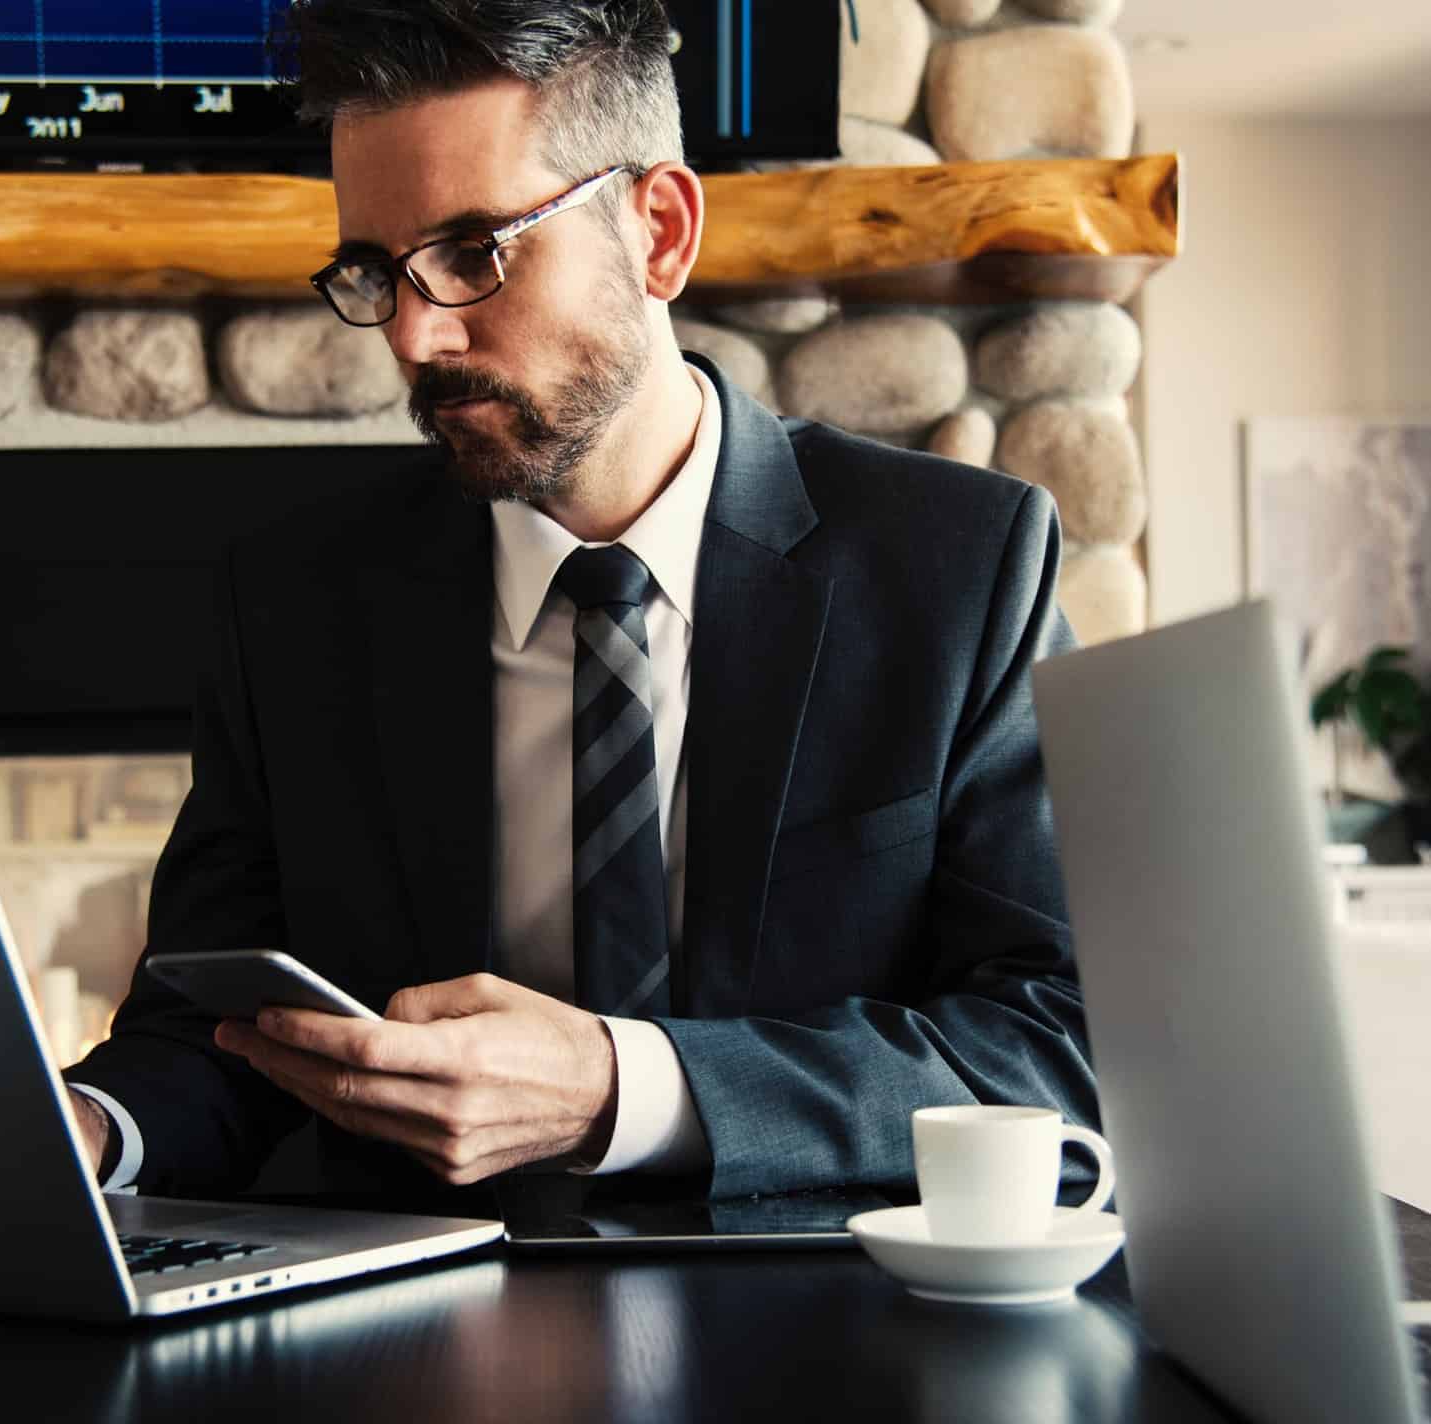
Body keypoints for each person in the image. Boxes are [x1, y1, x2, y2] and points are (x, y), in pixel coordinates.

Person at [62, 0, 1095, 1209]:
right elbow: (212, 1033)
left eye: (473, 252)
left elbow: (1056, 1040)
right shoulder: (291, 604)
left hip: (825, 1323)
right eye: (373, 270)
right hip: (419, 1342)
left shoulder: (960, 568)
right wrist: (84, 1125)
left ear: (659, 231)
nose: (414, 332)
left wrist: (625, 1087)